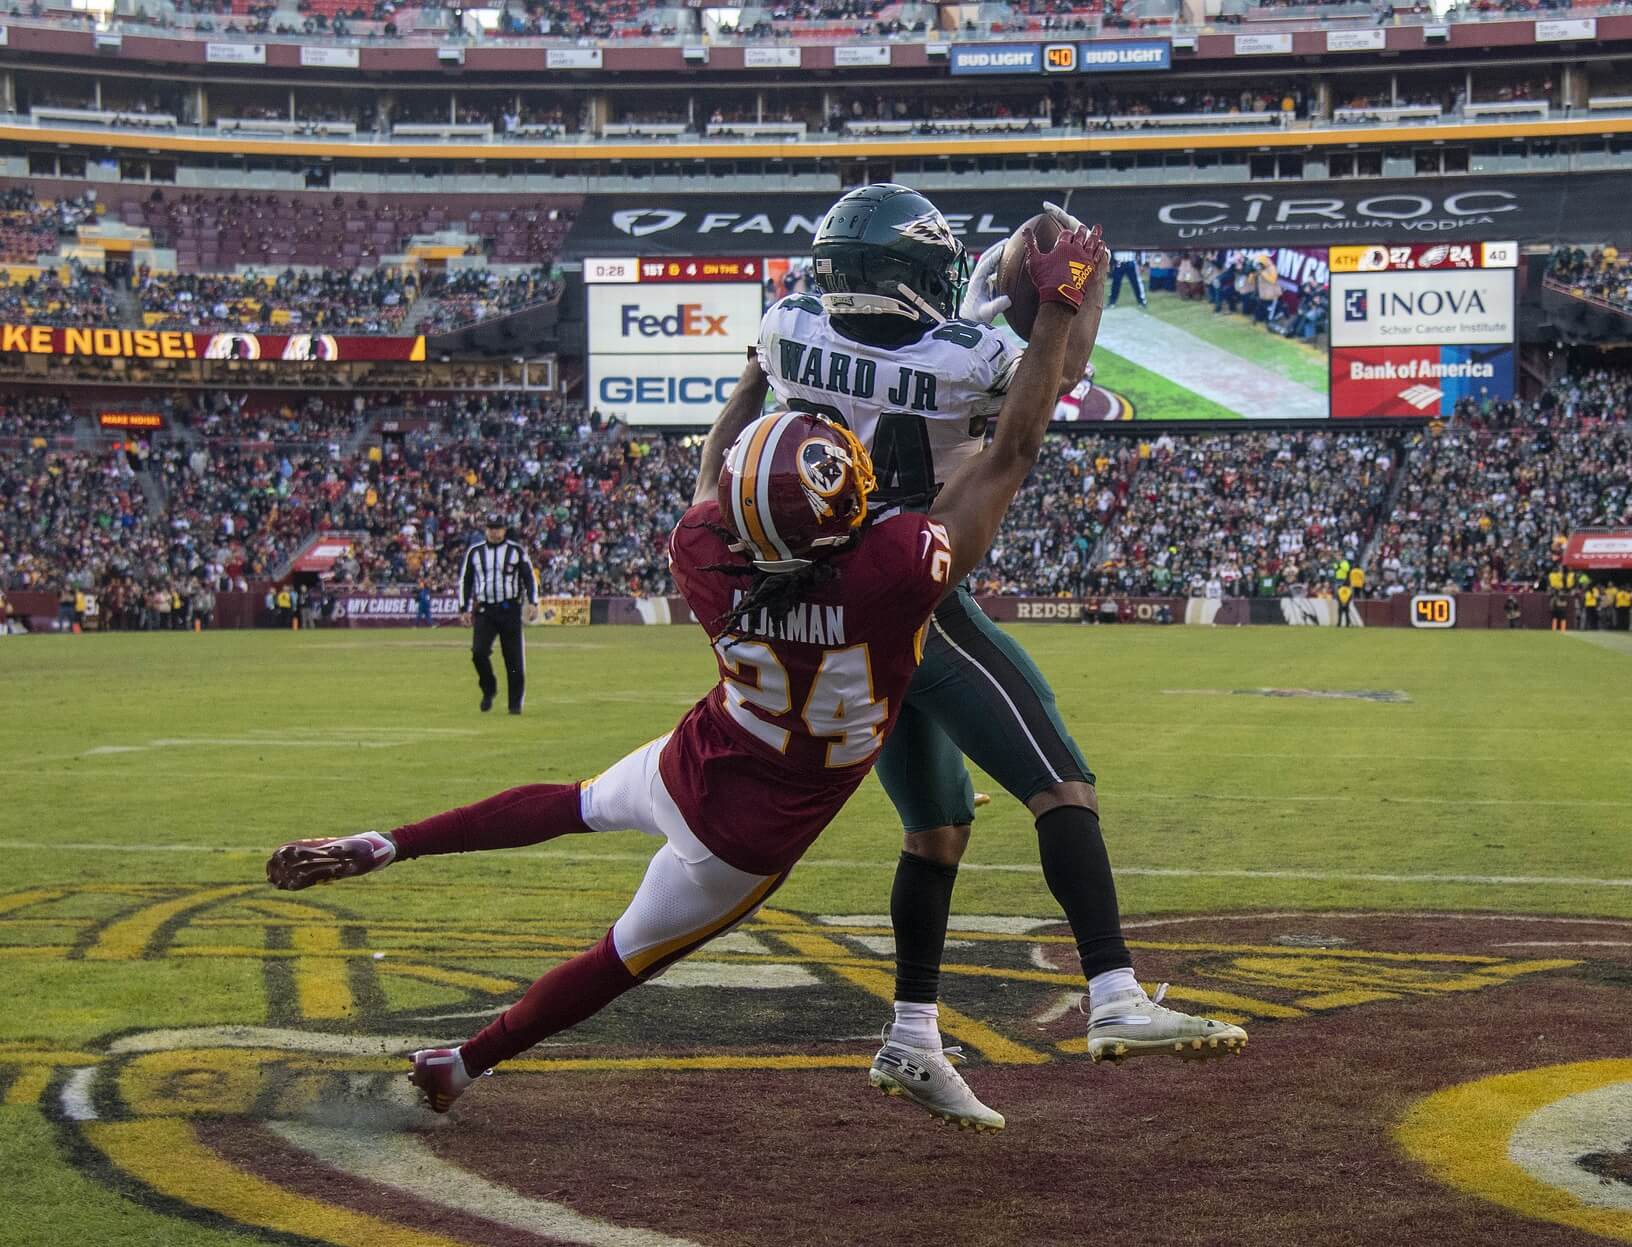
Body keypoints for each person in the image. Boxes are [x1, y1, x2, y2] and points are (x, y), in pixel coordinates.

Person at [267, 227, 1237, 1127]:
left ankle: (385, 850)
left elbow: (706, 481)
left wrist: (754, 374)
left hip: (703, 755)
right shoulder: (890, 574)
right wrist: (1059, 310)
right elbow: (1010, 453)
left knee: (581, 805)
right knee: (617, 956)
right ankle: (464, 1057)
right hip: (740, 836)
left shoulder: (709, 554)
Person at [755, 187, 1239, 1130]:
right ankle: (1112, 990)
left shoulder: (782, 331)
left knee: (935, 832)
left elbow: (868, 350)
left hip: (835, 608)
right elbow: (1058, 378)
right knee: (1061, 785)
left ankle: (912, 1032)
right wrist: (1075, 287)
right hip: (920, 593)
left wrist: (985, 287)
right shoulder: (972, 360)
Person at [460, 513, 538, 714]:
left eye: (498, 528)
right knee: (478, 652)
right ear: (486, 529)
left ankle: (514, 705)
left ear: (505, 530)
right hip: (486, 610)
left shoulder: (515, 551)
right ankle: (489, 688)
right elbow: (466, 581)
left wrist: (533, 603)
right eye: (491, 528)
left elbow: (529, 577)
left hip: (510, 609)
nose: (494, 532)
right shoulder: (475, 552)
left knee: (513, 659)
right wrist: (464, 608)